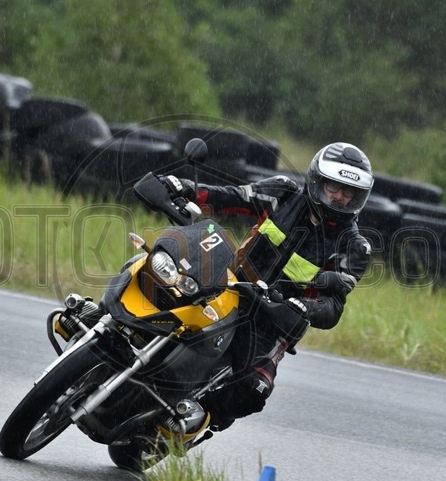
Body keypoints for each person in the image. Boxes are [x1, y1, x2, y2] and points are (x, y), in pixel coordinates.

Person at [160, 142, 374, 431]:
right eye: (333, 187)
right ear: (317, 181)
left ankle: (193, 419)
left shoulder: (355, 246)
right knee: (163, 287)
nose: (340, 197)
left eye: (349, 193)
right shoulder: (283, 193)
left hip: (272, 322)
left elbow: (333, 306)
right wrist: (186, 189)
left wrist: (303, 307)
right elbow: (232, 196)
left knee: (255, 388)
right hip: (228, 285)